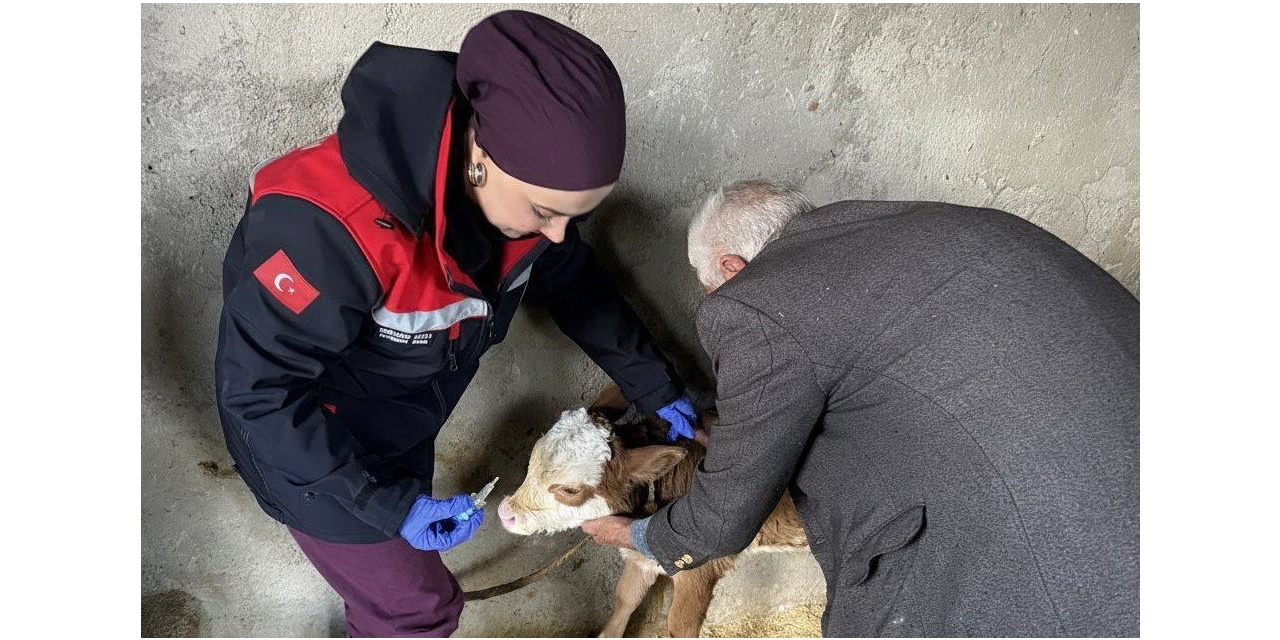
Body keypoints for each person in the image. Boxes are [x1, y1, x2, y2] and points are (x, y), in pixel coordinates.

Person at [214, 10, 698, 637]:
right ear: (480, 152)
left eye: (572, 218)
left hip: (401, 421)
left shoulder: (518, 206)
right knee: (420, 608)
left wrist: (654, 384)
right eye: (546, 212)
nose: (557, 234)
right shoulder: (325, 227)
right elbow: (260, 393)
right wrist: (382, 504)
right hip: (308, 451)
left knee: (390, 605)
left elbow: (574, 280)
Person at [581, 180, 1140, 636]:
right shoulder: (919, 222)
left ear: (731, 269)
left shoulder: (754, 303)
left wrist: (638, 537)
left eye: (711, 289)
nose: (717, 303)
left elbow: (723, 519)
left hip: (1048, 562)